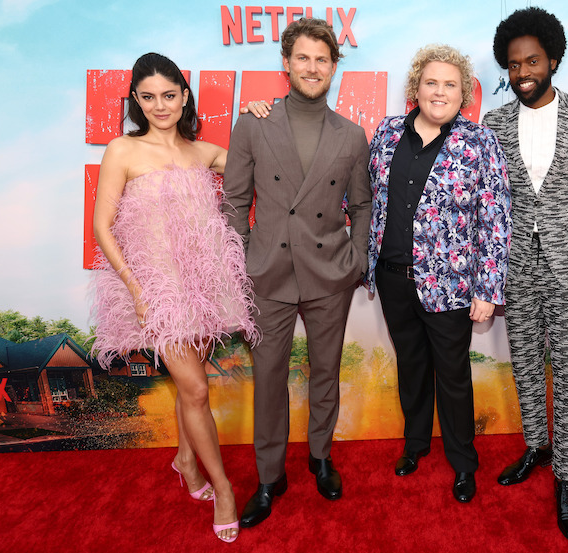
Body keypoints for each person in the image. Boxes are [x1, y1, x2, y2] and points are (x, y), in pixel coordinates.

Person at [91, 52, 259, 544]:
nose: (159, 106)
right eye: (148, 97)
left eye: (169, 95)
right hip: (156, 289)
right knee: (198, 390)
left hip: (203, 284)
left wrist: (253, 117)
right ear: (136, 101)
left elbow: (262, 164)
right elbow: (103, 228)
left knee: (192, 389)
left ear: (184, 96)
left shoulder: (204, 151)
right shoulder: (122, 150)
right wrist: (138, 290)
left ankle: (186, 458)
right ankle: (223, 489)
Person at [222, 18, 371, 528]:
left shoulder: (351, 135)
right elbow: (236, 201)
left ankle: (321, 457)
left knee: (326, 371)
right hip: (269, 273)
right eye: (303, 58)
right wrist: (244, 258)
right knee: (269, 377)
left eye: (322, 59)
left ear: (335, 67)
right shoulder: (253, 124)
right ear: (286, 64)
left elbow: (364, 203)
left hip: (330, 271)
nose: (312, 67)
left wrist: (357, 259)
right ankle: (269, 477)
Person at [481, 8, 568, 541]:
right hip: (516, 266)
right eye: (513, 65)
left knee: (567, 371)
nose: (522, 73)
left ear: (553, 59)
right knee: (525, 364)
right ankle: (536, 446)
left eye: (532, 61)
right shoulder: (491, 124)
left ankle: (565, 475)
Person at [366, 45, 511, 503]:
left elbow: (495, 218)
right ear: (416, 88)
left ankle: (463, 462)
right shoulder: (387, 134)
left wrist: (488, 288)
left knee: (451, 374)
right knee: (411, 366)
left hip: (449, 284)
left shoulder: (478, 142)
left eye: (451, 84)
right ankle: (415, 446)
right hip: (392, 277)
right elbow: (369, 198)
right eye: (432, 82)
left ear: (463, 93)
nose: (440, 91)